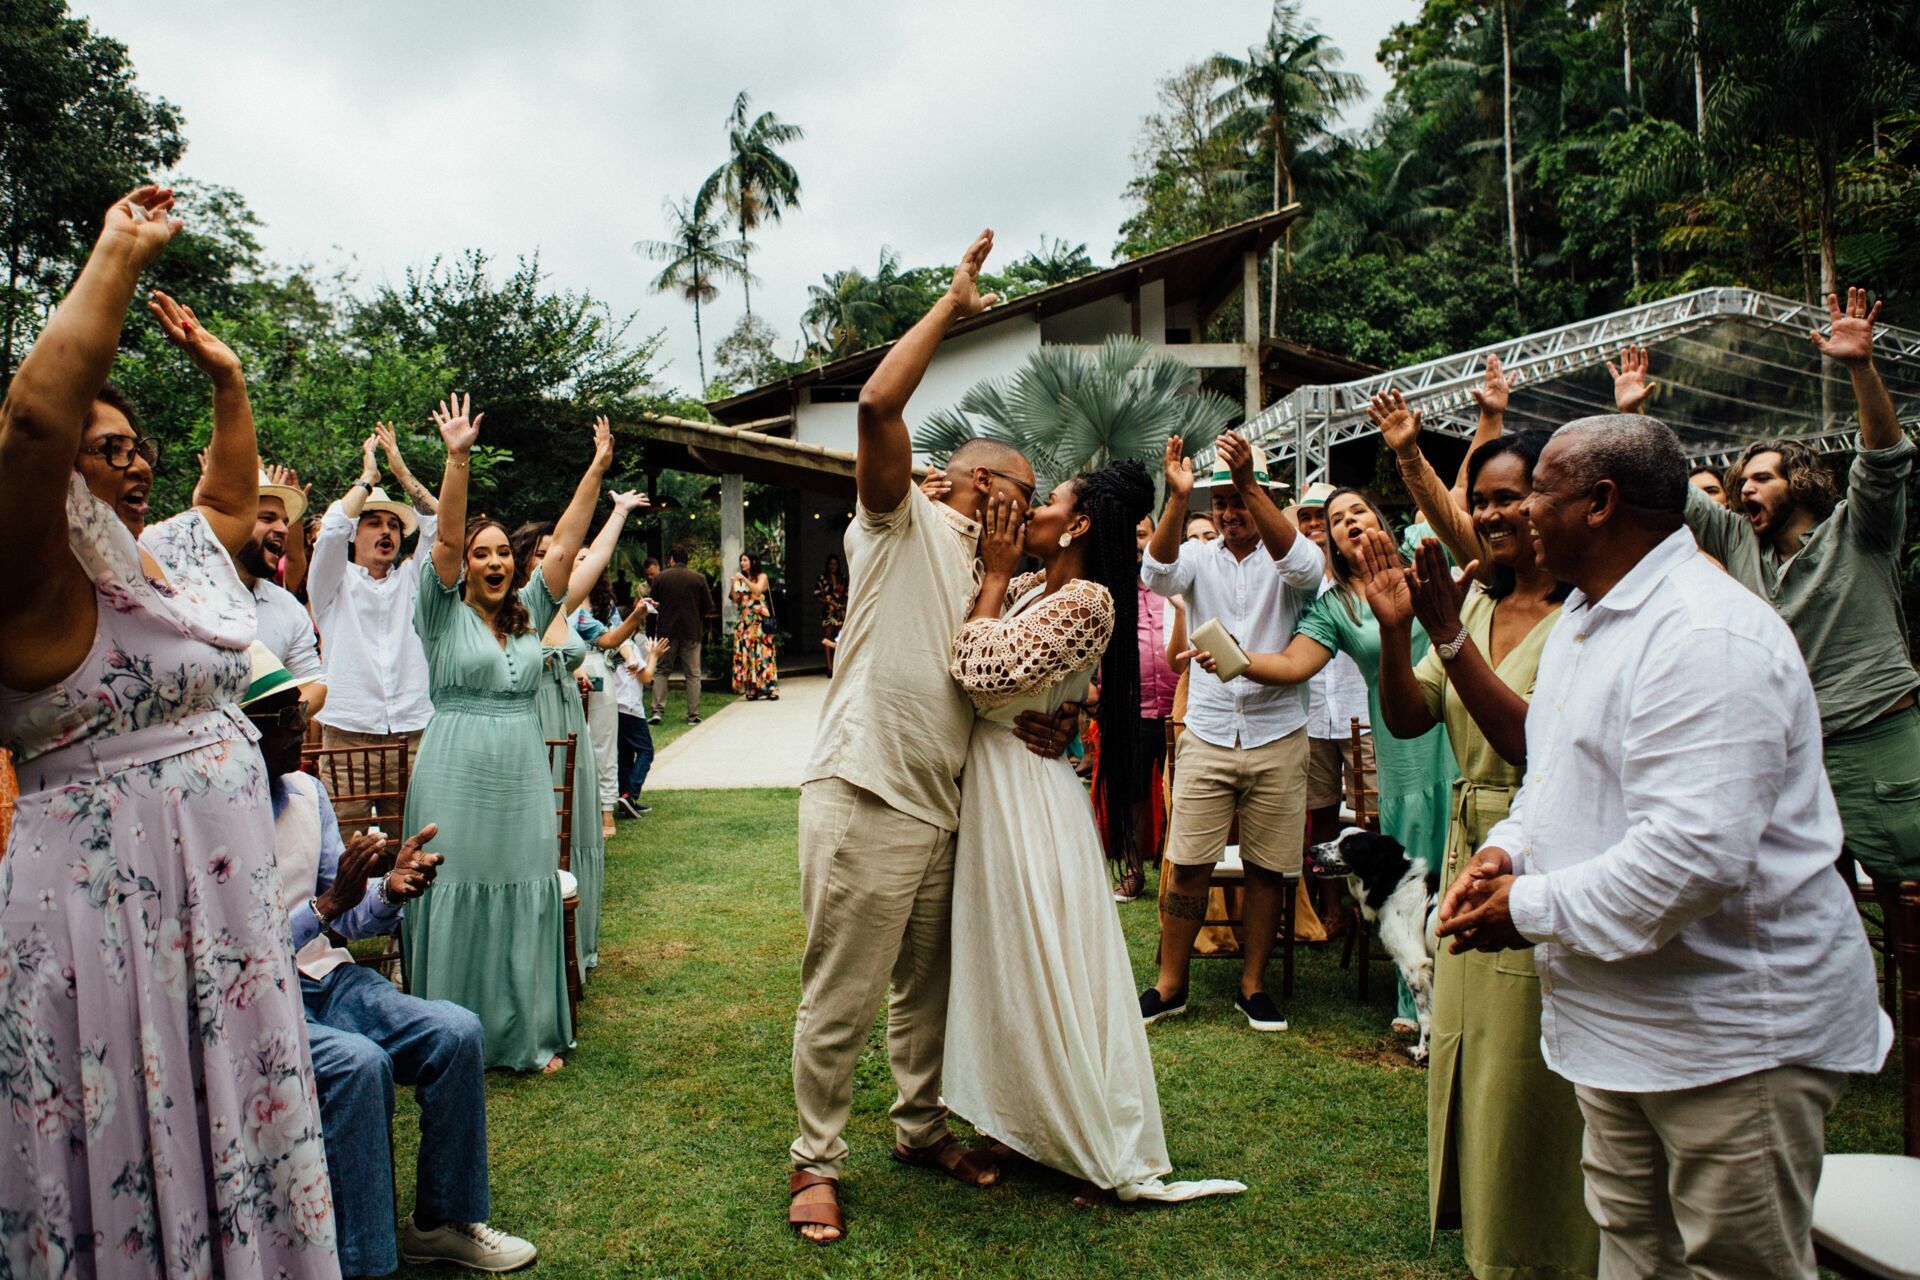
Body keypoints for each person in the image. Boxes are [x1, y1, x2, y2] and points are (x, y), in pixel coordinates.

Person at [1438, 413, 1891, 1279]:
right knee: (1635, 1250)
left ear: (1601, 503)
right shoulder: (1584, 619)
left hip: (1731, 1036)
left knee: (1736, 1263)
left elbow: (1694, 856)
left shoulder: (1706, 634)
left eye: (1540, 489)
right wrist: (1510, 852)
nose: (1522, 509)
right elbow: (1555, 779)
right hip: (1623, 1026)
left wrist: (1525, 908)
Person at [0, 187, 337, 1277]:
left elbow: (233, 503)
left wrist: (227, 379)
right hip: (113, 926)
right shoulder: (32, 581)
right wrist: (118, 252)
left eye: (140, 445)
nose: (134, 462)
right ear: (58, 476)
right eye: (108, 450)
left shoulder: (175, 563)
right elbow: (32, 423)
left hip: (222, 925)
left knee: (234, 1122)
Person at [787, 230, 1080, 1244]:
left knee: (926, 991)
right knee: (843, 994)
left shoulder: (1004, 575)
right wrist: (953, 305)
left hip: (946, 802)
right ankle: (813, 1161)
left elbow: (987, 679)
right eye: (1015, 488)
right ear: (963, 483)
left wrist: (1039, 718)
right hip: (867, 784)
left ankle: (917, 1126)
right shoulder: (901, 518)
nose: (1028, 506)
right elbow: (876, 406)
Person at [946, 460, 1245, 1203]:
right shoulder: (1027, 587)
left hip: (1028, 798)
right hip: (995, 782)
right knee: (1006, 962)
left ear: (1078, 523)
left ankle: (1086, 1134)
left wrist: (992, 579)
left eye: (1049, 503)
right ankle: (1022, 1119)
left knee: (1050, 962)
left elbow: (978, 673)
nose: (1036, 514)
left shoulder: (1088, 602)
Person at [1617, 292, 1919, 987]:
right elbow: (1673, 493)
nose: (1743, 489)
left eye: (1760, 478)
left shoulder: (1860, 531)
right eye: (1739, 481)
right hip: (1791, 755)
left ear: (1800, 482)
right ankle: (1834, 1027)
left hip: (1878, 743)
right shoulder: (1733, 539)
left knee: (1912, 914)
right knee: (1811, 909)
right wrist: (1635, 415)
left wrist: (1862, 368)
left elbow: (1883, 457)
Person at [1364, 390, 1595, 1280]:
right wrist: (1397, 635)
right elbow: (1412, 714)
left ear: (1553, 506)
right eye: (1486, 499)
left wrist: (1450, 637)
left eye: (1514, 497)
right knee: (1466, 1059)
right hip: (1467, 854)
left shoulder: (1581, 618)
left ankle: (1546, 1252)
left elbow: (1534, 745)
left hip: (1538, 858)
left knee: (1525, 1080)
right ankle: (1492, 1246)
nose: (1497, 513)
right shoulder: (1473, 604)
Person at [238, 642, 538, 1277]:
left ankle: (440, 1222)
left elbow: (345, 913)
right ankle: (366, 1262)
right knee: (359, 1065)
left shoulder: (308, 794)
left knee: (456, 1032)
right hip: (259, 998)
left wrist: (386, 890)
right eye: (285, 718)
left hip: (328, 975)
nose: (304, 726)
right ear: (240, 730)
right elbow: (232, 952)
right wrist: (324, 908)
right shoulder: (212, 816)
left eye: (301, 711)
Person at [1186, 486, 1457, 1042]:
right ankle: (1421, 1001)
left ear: (1379, 516)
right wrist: (1234, 657)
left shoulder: (1426, 561)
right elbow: (1290, 662)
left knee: (1466, 858)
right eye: (1336, 520)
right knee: (1414, 876)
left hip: (1459, 727)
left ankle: (1480, 992)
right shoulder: (1333, 605)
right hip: (1401, 744)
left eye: (1358, 510)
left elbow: (1457, 512)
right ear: (1327, 540)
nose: (1349, 522)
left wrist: (1416, 456)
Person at [401, 394, 600, 1075]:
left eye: (499, 555)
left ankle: (526, 1032)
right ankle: (446, 1035)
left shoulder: (532, 612)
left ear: (512, 564)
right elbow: (446, 541)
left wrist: (596, 472)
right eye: (480, 554)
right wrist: (458, 459)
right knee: (452, 885)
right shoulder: (440, 611)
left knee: (522, 885)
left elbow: (569, 543)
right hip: (453, 767)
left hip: (519, 774)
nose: (490, 562)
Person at [1138, 429, 1323, 1033]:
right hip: (1210, 730)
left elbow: (1304, 567)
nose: (1226, 512)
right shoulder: (1198, 557)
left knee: (1270, 868)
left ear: (1261, 494)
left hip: (1277, 732)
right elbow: (1156, 573)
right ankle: (1171, 985)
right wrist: (1175, 498)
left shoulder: (1290, 557)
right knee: (1188, 862)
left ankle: (1253, 986)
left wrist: (1249, 483)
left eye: (1237, 499)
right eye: (1218, 502)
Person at [516, 466, 648, 977]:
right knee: (540, 832)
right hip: (531, 725)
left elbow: (591, 557)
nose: (559, 559)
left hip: (568, 717)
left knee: (574, 831)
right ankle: (537, 944)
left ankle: (573, 945)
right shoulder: (512, 610)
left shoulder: (565, 606)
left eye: (560, 554)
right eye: (547, 553)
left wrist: (616, 512)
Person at [309, 423, 439, 820]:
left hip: (413, 733)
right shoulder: (332, 582)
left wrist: (399, 469)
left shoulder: (415, 579)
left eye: (394, 524)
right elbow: (330, 532)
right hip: (348, 733)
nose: (387, 530)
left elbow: (440, 525)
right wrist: (367, 479)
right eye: (373, 522)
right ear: (355, 533)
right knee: (349, 851)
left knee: (413, 845)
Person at [1292, 483, 1375, 930]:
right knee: (1320, 813)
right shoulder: (1298, 578)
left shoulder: (1369, 573)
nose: (1313, 526)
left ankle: (1373, 903)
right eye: (1305, 518)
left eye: (1320, 519)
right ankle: (1331, 909)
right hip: (1312, 715)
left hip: (1361, 709)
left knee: (1374, 812)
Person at [199, 457, 328, 716]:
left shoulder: (287, 607)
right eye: (268, 518)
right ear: (231, 524)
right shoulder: (183, 594)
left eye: (284, 520)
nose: (282, 529)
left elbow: (315, 683)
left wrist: (279, 720)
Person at [649, 546, 713, 725]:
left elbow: (652, 607)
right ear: (688, 559)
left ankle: (657, 711)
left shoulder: (660, 578)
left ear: (671, 559)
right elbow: (708, 607)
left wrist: (650, 632)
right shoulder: (698, 578)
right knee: (693, 674)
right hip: (691, 630)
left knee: (662, 670)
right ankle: (693, 714)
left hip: (666, 632)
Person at [615, 635, 669, 817]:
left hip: (615, 706)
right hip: (630, 708)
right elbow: (646, 677)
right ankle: (631, 795)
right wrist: (654, 656)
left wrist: (648, 655)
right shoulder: (626, 645)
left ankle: (625, 797)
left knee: (625, 754)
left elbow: (638, 672)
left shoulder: (611, 643)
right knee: (646, 751)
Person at [730, 552, 780, 700]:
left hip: (759, 619)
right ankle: (752, 687)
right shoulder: (740, 580)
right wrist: (734, 585)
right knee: (748, 653)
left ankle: (771, 686)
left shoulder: (762, 577)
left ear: (753, 561)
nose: (742, 563)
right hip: (746, 619)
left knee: (763, 652)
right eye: (741, 561)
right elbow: (735, 599)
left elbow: (757, 590)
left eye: (745, 560)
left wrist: (744, 579)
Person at [815, 552, 847, 674]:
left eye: (835, 564)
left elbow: (846, 594)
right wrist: (829, 602)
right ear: (828, 565)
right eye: (831, 564)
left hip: (840, 610)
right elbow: (817, 594)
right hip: (828, 611)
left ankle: (838, 666)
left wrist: (843, 607)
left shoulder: (842, 578)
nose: (833, 566)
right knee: (828, 638)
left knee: (841, 638)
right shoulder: (822, 578)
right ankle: (829, 667)